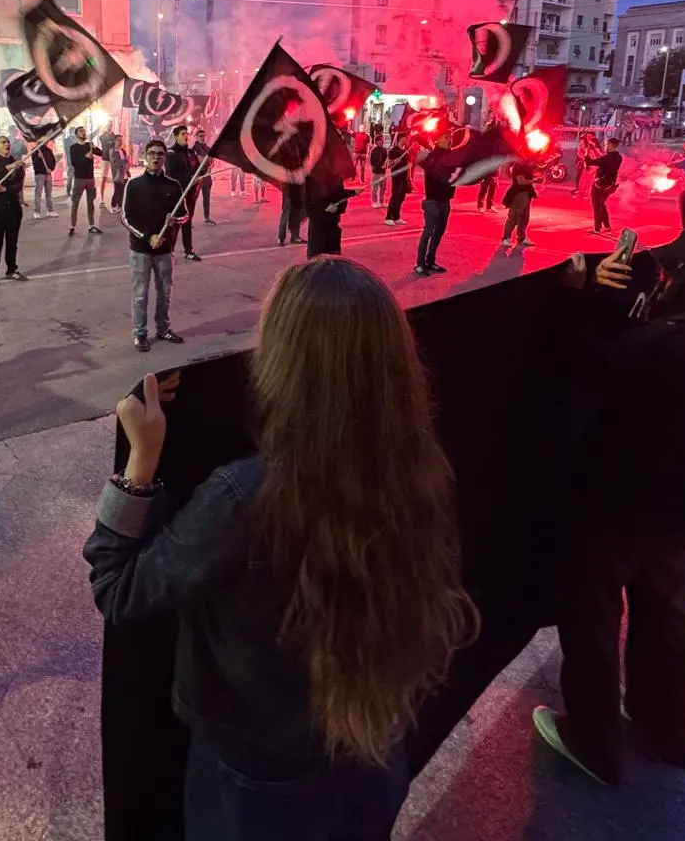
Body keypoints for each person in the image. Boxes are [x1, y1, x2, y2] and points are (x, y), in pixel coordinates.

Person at [85, 258, 477, 835]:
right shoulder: (420, 470)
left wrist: (141, 461)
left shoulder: (244, 498)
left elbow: (117, 589)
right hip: (374, 748)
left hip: (254, 785)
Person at [536, 225, 685, 787]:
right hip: (679, 500)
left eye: (670, 270)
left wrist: (576, 296)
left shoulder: (672, 343)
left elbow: (588, 363)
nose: (660, 276)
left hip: (618, 499)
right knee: (665, 611)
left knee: (592, 617)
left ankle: (593, 740)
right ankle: (666, 726)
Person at [120, 139, 185, 352]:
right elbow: (126, 218)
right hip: (141, 251)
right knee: (140, 295)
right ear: (145, 157)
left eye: (160, 154)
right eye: (152, 154)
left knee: (164, 293)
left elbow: (185, 214)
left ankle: (163, 329)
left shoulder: (173, 186)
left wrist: (175, 219)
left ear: (165, 158)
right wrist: (148, 237)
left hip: (166, 251)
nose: (156, 157)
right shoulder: (134, 185)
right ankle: (140, 333)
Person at [414, 131, 460, 276]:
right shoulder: (432, 156)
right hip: (432, 200)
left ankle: (430, 260)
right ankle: (420, 264)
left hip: (445, 200)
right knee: (428, 232)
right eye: (446, 137)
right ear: (438, 139)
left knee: (439, 232)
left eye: (450, 137)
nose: (449, 140)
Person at [0, 136, 28, 286]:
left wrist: (5, 189)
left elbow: (18, 186)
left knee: (12, 240)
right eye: (3, 142)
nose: (7, 144)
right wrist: (9, 168)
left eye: (8, 142)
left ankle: (11, 269)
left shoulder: (17, 163)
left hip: (13, 206)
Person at [165, 126, 204, 261]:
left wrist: (204, 168)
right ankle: (169, 251)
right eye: (182, 134)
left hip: (190, 192)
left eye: (186, 134)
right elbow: (170, 174)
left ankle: (189, 250)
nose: (185, 136)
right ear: (176, 137)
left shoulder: (191, 152)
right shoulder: (171, 153)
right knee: (176, 222)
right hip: (178, 193)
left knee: (188, 221)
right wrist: (189, 179)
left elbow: (198, 169)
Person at [67, 126, 102, 236]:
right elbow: (74, 163)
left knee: (90, 203)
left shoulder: (89, 145)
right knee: (75, 203)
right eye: (81, 131)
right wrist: (85, 157)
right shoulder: (73, 148)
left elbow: (101, 153)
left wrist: (94, 147)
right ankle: (72, 226)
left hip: (90, 178)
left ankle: (91, 226)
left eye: (84, 131)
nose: (83, 133)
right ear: (76, 134)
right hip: (79, 179)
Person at [583, 137, 623, 235]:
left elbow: (591, 162)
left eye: (607, 144)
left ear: (613, 146)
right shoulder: (618, 157)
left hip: (600, 185)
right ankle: (606, 226)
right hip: (610, 186)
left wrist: (587, 155)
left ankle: (597, 228)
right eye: (605, 144)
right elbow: (601, 159)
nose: (606, 146)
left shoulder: (606, 158)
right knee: (601, 205)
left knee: (597, 206)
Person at [500, 159, 537, 251]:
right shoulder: (519, 165)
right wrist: (535, 180)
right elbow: (521, 181)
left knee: (524, 217)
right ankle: (506, 238)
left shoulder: (526, 164)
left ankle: (522, 238)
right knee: (513, 217)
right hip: (519, 194)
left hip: (527, 193)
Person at [306, 186, 350, 257]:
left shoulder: (337, 179)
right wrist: (323, 209)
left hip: (332, 227)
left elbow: (342, 198)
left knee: (333, 261)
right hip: (317, 229)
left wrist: (337, 208)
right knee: (315, 260)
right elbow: (306, 206)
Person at [384, 132, 410, 224]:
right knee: (395, 196)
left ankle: (396, 217)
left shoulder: (405, 151)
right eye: (406, 137)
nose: (407, 139)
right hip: (396, 176)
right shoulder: (393, 150)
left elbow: (408, 164)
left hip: (404, 177)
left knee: (401, 197)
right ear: (401, 138)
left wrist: (409, 177)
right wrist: (395, 161)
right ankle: (388, 217)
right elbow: (388, 165)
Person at [192, 129, 216, 224]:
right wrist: (207, 160)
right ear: (196, 137)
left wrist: (209, 164)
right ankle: (189, 220)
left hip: (207, 176)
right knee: (192, 200)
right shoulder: (194, 148)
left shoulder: (208, 148)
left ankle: (207, 217)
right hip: (197, 177)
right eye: (200, 136)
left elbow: (212, 161)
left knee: (207, 198)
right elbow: (200, 160)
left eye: (204, 136)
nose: (203, 137)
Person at [30, 140, 59, 219]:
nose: (45, 142)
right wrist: (38, 157)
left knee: (49, 193)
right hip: (39, 174)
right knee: (38, 193)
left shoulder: (49, 150)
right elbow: (34, 163)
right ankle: (37, 211)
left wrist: (51, 169)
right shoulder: (35, 150)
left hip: (48, 174)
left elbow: (53, 161)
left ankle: (50, 210)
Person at [573, 131, 604, 196]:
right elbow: (580, 153)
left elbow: (599, 154)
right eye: (588, 136)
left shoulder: (593, 144)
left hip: (593, 165)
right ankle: (581, 191)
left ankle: (588, 192)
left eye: (590, 137)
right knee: (582, 178)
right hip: (586, 164)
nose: (589, 138)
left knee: (589, 179)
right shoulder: (584, 145)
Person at [277, 179, 306, 246]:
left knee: (296, 211)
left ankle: (294, 236)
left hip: (296, 185)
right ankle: (281, 237)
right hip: (289, 185)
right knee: (287, 211)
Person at [107, 139, 130, 212]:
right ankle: (113, 206)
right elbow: (115, 162)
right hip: (117, 174)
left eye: (121, 142)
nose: (120, 143)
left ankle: (120, 206)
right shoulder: (112, 151)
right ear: (115, 142)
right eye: (118, 141)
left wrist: (126, 166)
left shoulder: (122, 150)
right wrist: (124, 162)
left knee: (123, 191)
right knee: (117, 191)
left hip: (125, 173)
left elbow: (127, 160)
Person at [368, 128, 388, 208]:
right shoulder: (374, 150)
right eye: (380, 140)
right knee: (375, 188)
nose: (382, 142)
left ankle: (382, 201)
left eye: (383, 140)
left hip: (383, 172)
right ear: (377, 141)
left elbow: (386, 160)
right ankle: (374, 202)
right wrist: (378, 166)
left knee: (383, 188)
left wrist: (385, 166)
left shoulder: (384, 150)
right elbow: (372, 161)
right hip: (376, 172)